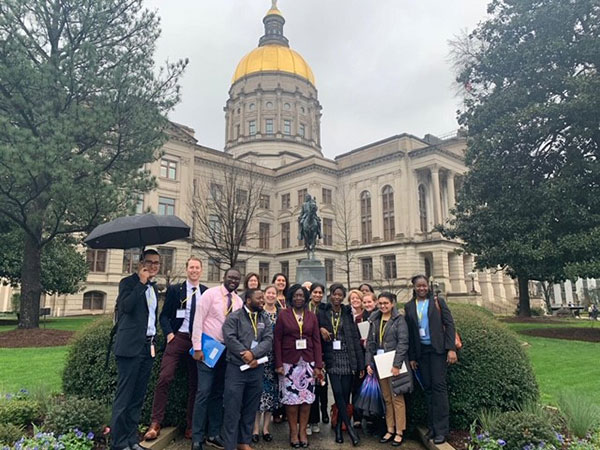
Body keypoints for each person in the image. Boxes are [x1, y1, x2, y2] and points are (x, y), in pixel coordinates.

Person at [144, 257, 208, 441]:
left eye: (197, 268)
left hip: (197, 342)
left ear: (201, 271)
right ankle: (156, 422)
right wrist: (170, 334)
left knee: (195, 384)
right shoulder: (175, 290)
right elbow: (164, 316)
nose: (194, 270)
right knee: (165, 378)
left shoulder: (205, 292)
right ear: (187, 269)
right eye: (191, 267)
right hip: (178, 338)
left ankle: (191, 426)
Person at [110, 249, 161, 450]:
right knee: (124, 398)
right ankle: (118, 443)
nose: (154, 266)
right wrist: (140, 283)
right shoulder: (128, 283)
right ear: (141, 263)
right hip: (130, 348)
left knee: (138, 398)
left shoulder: (154, 288)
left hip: (147, 347)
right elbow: (126, 307)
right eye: (150, 262)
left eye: (157, 263)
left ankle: (132, 440)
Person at [191, 268, 243, 450]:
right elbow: (198, 320)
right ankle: (197, 437)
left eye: (237, 278)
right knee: (203, 392)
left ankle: (213, 434)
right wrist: (197, 347)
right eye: (230, 277)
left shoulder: (238, 301)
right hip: (207, 350)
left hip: (226, 353)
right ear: (224, 277)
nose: (233, 281)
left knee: (218, 393)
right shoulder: (210, 294)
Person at [404, 274, 457, 445]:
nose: (421, 288)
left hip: (438, 351)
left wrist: (451, 349)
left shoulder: (438, 302)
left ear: (428, 286)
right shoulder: (409, 306)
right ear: (414, 287)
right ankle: (432, 428)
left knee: (439, 388)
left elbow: (449, 324)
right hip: (421, 352)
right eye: (418, 286)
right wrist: (412, 357)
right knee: (427, 389)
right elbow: (411, 334)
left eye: (424, 285)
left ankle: (442, 429)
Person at [222, 289, 274, 450]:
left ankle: (244, 441)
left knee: (251, 407)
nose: (262, 301)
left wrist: (254, 355)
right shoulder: (234, 317)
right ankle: (229, 444)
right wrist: (245, 355)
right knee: (232, 408)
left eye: (262, 298)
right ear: (248, 300)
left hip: (256, 368)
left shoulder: (264, 317)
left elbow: (268, 339)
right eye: (259, 298)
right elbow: (229, 337)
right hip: (236, 369)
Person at [274, 284, 323, 448]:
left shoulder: (311, 316)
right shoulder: (283, 315)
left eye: (301, 295)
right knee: (291, 400)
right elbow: (277, 340)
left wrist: (318, 364)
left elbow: (316, 340)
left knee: (306, 400)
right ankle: (293, 432)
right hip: (289, 363)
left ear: (306, 297)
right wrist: (279, 363)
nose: (299, 298)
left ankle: (303, 431)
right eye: (295, 295)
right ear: (291, 297)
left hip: (308, 363)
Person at [318, 283, 363, 446]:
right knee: (337, 391)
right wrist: (321, 328)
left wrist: (359, 364)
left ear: (343, 297)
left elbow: (354, 338)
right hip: (332, 358)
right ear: (330, 295)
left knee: (344, 395)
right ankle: (350, 430)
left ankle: (338, 428)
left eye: (340, 295)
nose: (337, 297)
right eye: (334, 294)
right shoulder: (323, 311)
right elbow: (314, 327)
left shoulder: (346, 312)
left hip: (347, 356)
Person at [366, 292, 410, 447]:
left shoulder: (399, 320)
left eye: (386, 303)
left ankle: (399, 431)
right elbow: (370, 343)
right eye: (381, 303)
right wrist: (369, 363)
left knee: (397, 397)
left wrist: (397, 365)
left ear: (392, 304)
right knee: (387, 398)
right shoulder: (374, 319)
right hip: (380, 363)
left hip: (393, 364)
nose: (383, 306)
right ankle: (389, 428)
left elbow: (403, 343)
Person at [252, 286, 279, 443]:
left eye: (273, 293)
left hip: (274, 358)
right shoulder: (258, 313)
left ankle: (266, 428)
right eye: (268, 293)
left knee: (270, 395)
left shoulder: (281, 313)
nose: (270, 295)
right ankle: (255, 429)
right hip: (259, 355)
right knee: (256, 393)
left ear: (276, 296)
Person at [307, 283, 329, 435]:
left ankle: (324, 412)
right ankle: (309, 420)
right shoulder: (304, 307)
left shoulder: (325, 308)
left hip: (322, 351)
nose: (318, 295)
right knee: (308, 387)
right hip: (306, 351)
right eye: (315, 292)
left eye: (320, 292)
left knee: (322, 384)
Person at [348, 289, 366, 429]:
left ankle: (360, 416)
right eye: (352, 299)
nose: (354, 301)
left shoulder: (366, 316)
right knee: (351, 387)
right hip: (349, 356)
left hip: (364, 354)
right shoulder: (347, 315)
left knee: (360, 387)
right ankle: (351, 415)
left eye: (357, 298)